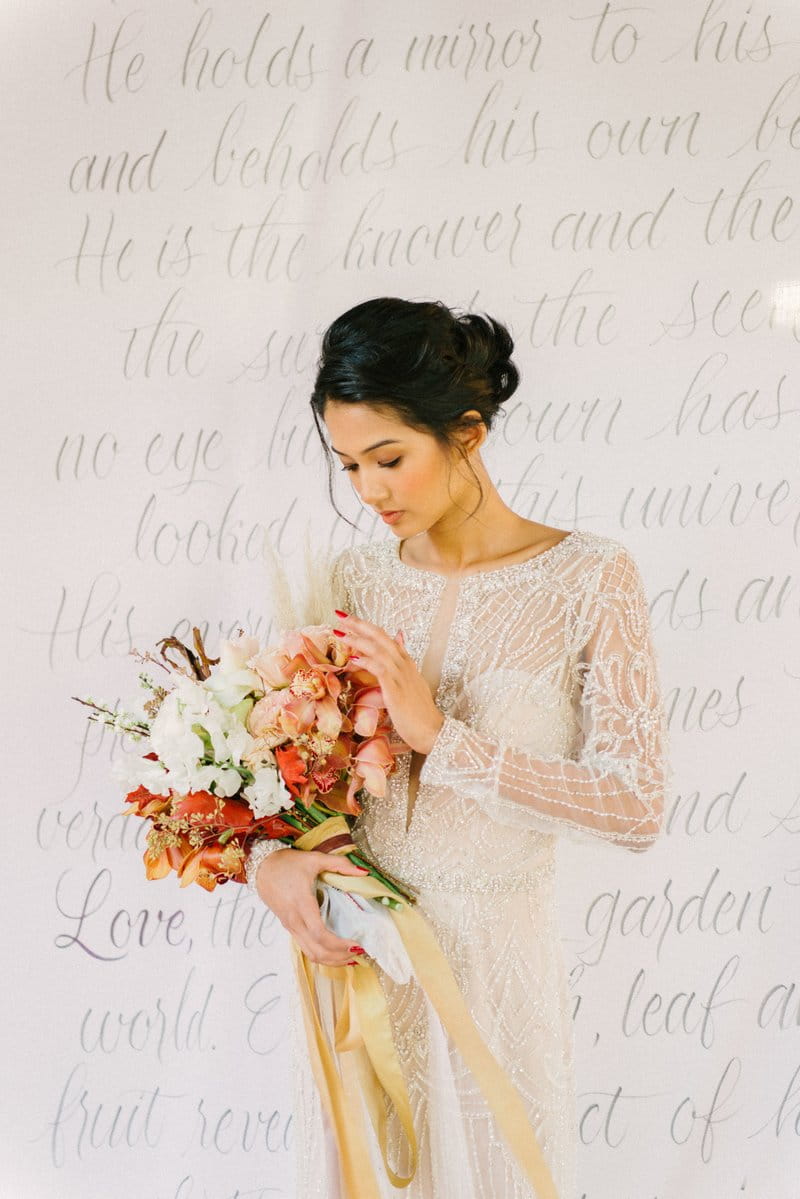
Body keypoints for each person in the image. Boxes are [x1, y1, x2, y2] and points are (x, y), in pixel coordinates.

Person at [244, 297, 671, 1198]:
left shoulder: (589, 577)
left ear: (468, 431)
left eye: (389, 458)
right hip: (359, 972)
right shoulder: (353, 579)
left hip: (494, 975)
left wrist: (443, 738)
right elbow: (306, 785)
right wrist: (273, 861)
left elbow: (635, 806)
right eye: (350, 463)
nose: (369, 490)